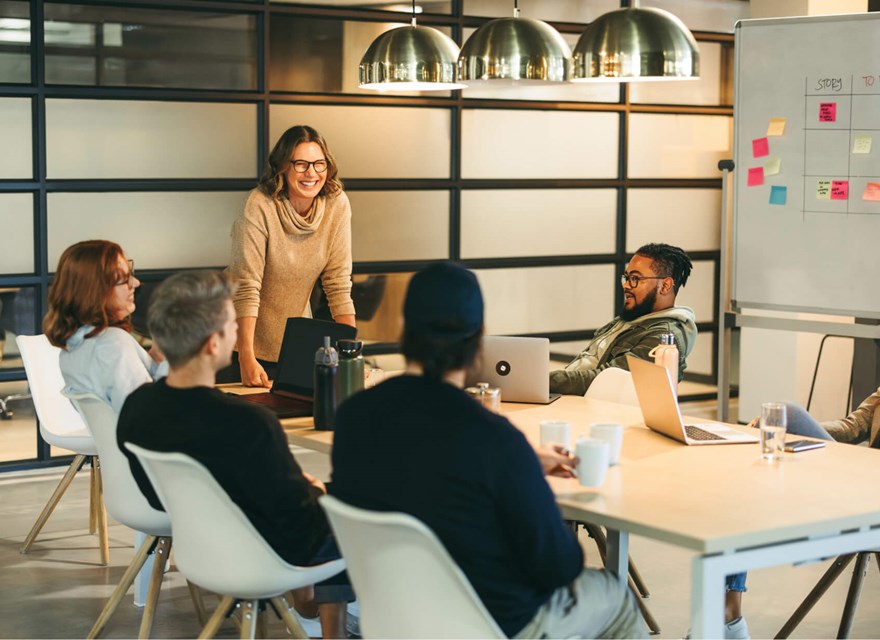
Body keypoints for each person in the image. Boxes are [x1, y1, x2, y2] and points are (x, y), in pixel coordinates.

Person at [331, 262, 646, 639]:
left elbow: (422, 469)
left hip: (396, 616)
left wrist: (523, 464)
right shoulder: (493, 438)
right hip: (494, 621)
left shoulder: (353, 417)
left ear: (403, 330)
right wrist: (522, 468)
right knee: (615, 595)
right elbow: (559, 566)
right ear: (479, 340)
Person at [116, 270, 352, 638]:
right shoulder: (248, 422)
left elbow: (155, 496)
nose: (240, 334)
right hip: (265, 556)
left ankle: (313, 612)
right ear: (213, 343)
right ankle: (326, 620)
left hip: (202, 551)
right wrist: (317, 491)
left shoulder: (137, 408)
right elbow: (303, 526)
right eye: (232, 324)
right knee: (355, 508)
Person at [224, 124, 356, 388]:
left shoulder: (336, 203)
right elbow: (246, 286)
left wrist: (351, 355)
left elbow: (338, 284)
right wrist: (246, 358)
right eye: (301, 164)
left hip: (292, 343)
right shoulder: (260, 204)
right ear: (282, 166)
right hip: (238, 344)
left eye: (319, 164)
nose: (311, 173)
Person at [550, 242, 697, 396]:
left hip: (592, 406)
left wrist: (546, 381)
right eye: (626, 278)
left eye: (635, 278)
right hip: (568, 397)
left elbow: (605, 380)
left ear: (665, 286)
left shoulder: (663, 338)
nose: (626, 285)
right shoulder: (630, 320)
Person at [44, 240, 167, 414]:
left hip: (112, 439)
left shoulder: (75, 347)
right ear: (95, 291)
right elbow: (147, 415)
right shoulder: (113, 343)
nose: (136, 283)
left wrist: (157, 358)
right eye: (124, 280)